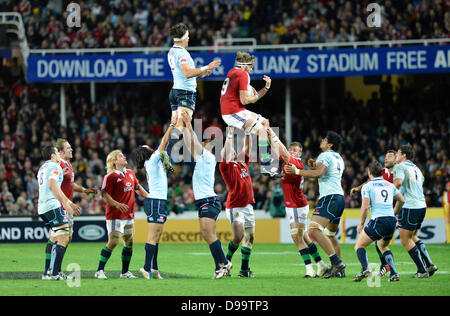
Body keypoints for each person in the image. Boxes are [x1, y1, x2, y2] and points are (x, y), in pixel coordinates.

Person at [267, 129, 329, 278]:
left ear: (299, 154)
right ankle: (321, 265)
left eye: (295, 151)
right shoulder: (289, 162)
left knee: (296, 237)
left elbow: (281, 152)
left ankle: (309, 270)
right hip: (291, 205)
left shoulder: (296, 163)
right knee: (304, 237)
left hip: (298, 204)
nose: (292, 152)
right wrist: (268, 136)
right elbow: (278, 150)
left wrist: (270, 132)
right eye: (291, 150)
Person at [284, 131, 346, 278]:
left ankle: (336, 262)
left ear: (330, 144)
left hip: (329, 198)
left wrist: (297, 170)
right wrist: (314, 167)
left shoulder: (325, 155)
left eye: (324, 139)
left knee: (312, 230)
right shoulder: (339, 158)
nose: (322, 140)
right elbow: (324, 173)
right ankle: (339, 271)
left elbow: (319, 174)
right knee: (330, 235)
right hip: (340, 197)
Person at [179, 111, 232, 279]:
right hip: (207, 200)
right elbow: (190, 144)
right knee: (209, 234)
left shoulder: (208, 156)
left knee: (206, 232)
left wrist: (188, 125)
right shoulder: (203, 157)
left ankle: (221, 265)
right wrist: (186, 128)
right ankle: (224, 262)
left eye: (205, 142)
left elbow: (192, 143)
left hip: (208, 200)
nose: (202, 143)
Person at [42, 139, 98, 279]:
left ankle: (52, 270)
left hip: (65, 204)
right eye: (68, 148)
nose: (71, 149)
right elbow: (54, 184)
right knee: (61, 237)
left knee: (63, 237)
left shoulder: (67, 164)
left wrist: (84, 190)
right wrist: (66, 203)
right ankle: (52, 271)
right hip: (61, 205)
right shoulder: (58, 164)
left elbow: (70, 184)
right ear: (60, 152)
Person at [167, 22, 221, 158]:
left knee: (182, 127)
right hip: (185, 93)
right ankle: (165, 155)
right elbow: (187, 73)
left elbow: (185, 73)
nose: (189, 38)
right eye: (188, 36)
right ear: (183, 37)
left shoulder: (172, 51)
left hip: (176, 91)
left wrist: (203, 73)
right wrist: (205, 67)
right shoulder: (182, 53)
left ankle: (196, 157)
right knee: (180, 126)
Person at [94, 150, 148, 279]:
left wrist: (150, 198)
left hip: (129, 215)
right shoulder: (110, 176)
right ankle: (99, 270)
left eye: (123, 155)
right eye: (120, 156)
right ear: (114, 161)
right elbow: (104, 195)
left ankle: (124, 272)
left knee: (129, 243)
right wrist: (117, 204)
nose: (124, 156)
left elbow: (138, 188)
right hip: (115, 215)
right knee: (113, 241)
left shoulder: (130, 173)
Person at [219, 51, 275, 175]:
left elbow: (249, 98)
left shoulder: (232, 72)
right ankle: (266, 164)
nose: (251, 70)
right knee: (262, 131)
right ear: (244, 66)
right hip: (232, 112)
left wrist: (266, 88)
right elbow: (246, 100)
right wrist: (253, 97)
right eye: (250, 67)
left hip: (236, 110)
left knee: (265, 122)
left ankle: (271, 159)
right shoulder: (243, 74)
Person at [135, 117, 176, 280]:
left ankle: (154, 268)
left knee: (156, 237)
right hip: (155, 202)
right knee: (153, 236)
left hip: (158, 201)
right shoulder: (151, 160)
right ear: (145, 152)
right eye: (148, 147)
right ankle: (145, 267)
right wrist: (171, 125)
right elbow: (165, 141)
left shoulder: (154, 161)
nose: (151, 147)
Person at [352, 161, 405, 283]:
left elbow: (365, 207)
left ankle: (365, 269)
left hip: (378, 220)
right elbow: (402, 200)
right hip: (391, 221)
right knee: (383, 246)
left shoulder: (368, 186)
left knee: (359, 245)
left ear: (369, 172)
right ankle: (394, 273)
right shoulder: (389, 184)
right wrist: (393, 212)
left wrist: (361, 224)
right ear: (381, 172)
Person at [393, 144, 438, 278]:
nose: (396, 156)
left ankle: (422, 270)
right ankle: (429, 264)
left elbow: (399, 183)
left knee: (405, 240)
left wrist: (387, 189)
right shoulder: (417, 169)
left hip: (409, 207)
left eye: (398, 153)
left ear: (404, 155)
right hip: (421, 206)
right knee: (412, 236)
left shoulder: (400, 166)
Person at [37, 145, 81, 280]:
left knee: (56, 237)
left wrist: (61, 172)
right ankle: (55, 273)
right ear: (52, 155)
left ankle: (48, 272)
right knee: (64, 237)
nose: (58, 155)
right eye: (56, 152)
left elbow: (49, 183)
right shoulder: (54, 166)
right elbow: (52, 185)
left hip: (42, 207)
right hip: (52, 206)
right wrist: (67, 204)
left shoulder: (43, 168)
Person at [219, 127, 255, 278]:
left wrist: (248, 132)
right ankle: (226, 263)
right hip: (235, 207)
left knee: (250, 237)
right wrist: (229, 135)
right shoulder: (225, 166)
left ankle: (244, 270)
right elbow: (224, 153)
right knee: (239, 236)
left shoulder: (241, 162)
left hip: (248, 206)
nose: (232, 151)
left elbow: (248, 147)